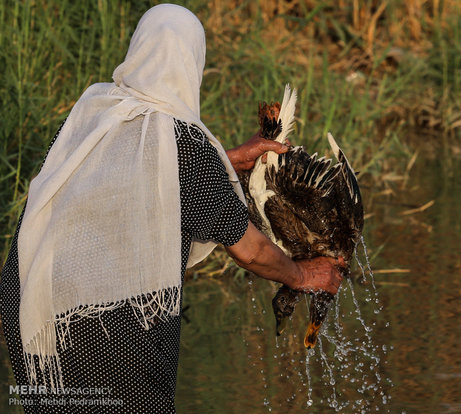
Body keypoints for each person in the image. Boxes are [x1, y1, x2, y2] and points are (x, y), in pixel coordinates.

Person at [0, 4, 342, 413]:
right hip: (110, 327)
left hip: (35, 309)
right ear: (191, 64)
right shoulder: (184, 145)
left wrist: (224, 158)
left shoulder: (96, 111)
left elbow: (127, 175)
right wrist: (304, 274)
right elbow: (248, 248)